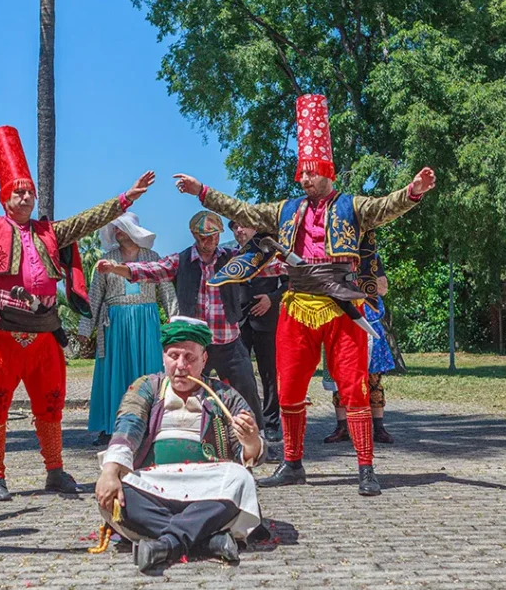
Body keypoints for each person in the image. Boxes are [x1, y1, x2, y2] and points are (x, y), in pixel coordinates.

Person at [173, 94, 436, 495]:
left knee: (354, 386)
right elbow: (243, 210)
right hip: (297, 306)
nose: (304, 179)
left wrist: (413, 191)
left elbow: (386, 207)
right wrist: (202, 191)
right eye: (301, 172)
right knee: (290, 385)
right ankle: (293, 463)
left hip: (343, 306)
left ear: (327, 171)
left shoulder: (353, 205)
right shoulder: (286, 210)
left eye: (310, 172)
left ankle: (365, 467)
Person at [0, 126, 155, 502]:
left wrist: (124, 200)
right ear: (5, 196)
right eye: (19, 190)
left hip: (45, 333)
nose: (26, 195)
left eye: (30, 190)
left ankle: (54, 469)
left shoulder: (51, 231)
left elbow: (87, 220)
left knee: (50, 401)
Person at [94, 317, 265, 572]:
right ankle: (206, 538)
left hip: (207, 487)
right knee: (117, 491)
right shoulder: (146, 387)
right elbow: (126, 428)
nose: (181, 366)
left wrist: (251, 441)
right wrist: (109, 472)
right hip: (153, 484)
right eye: (174, 356)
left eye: (190, 358)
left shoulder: (224, 395)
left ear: (204, 360)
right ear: (164, 357)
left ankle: (165, 544)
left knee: (240, 479)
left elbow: (248, 455)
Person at [95, 211, 268, 431]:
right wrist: (115, 268)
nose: (211, 241)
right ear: (195, 236)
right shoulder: (182, 260)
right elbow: (151, 271)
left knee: (247, 390)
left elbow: (264, 265)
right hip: (195, 344)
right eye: (205, 237)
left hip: (228, 341)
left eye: (215, 235)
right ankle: (189, 433)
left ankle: (257, 436)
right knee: (188, 391)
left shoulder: (231, 258)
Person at [79, 212, 176, 446]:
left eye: (122, 228)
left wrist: (176, 322)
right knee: (115, 373)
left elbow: (167, 293)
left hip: (146, 322)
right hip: (116, 325)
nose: (118, 232)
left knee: (148, 373)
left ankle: (149, 424)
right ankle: (112, 426)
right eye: (116, 229)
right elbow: (94, 297)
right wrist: (84, 329)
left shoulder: (152, 257)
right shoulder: (106, 259)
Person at [323, 231, 395, 445]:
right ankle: (342, 426)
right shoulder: (327, 257)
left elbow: (382, 289)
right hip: (338, 321)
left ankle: (379, 428)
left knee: (373, 379)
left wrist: (358, 280)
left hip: (368, 321)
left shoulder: (370, 258)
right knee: (338, 378)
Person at [229, 220, 288, 443]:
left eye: (243, 226)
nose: (239, 230)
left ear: (256, 229)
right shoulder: (230, 256)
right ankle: (244, 419)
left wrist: (271, 299)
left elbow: (289, 282)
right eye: (234, 228)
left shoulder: (274, 254)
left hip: (267, 320)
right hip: (239, 321)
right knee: (241, 374)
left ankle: (271, 422)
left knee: (269, 374)